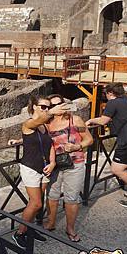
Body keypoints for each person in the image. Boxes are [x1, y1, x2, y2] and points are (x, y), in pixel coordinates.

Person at [11, 96, 66, 249]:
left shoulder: (45, 126)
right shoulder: (29, 123)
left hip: (45, 167)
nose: (46, 110)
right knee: (36, 203)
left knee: (36, 201)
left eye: (48, 107)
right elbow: (32, 127)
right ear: (34, 107)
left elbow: (50, 146)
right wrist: (52, 112)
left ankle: (29, 228)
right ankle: (20, 233)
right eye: (43, 107)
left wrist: (53, 162)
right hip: (30, 167)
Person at [43, 94, 93, 242]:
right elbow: (34, 131)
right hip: (54, 164)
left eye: (60, 103)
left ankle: (70, 228)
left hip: (75, 163)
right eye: (53, 106)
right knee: (52, 195)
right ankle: (51, 223)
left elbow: (89, 139)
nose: (58, 107)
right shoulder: (47, 123)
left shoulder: (75, 119)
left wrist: (77, 146)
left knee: (71, 197)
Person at [87, 83, 127, 209]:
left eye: (105, 94)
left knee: (117, 169)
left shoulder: (113, 103)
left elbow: (103, 121)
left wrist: (90, 120)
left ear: (110, 93)